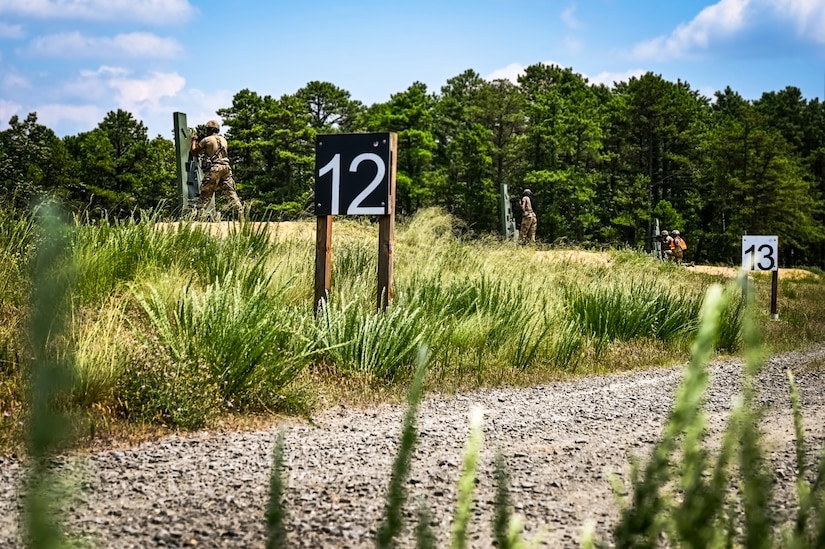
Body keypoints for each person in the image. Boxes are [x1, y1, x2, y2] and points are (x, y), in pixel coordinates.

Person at [190, 119, 244, 220]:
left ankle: (198, 218)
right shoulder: (224, 140)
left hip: (215, 168)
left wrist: (193, 140)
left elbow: (194, 152)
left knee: (206, 193)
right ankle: (240, 214)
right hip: (226, 168)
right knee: (230, 192)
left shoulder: (206, 140)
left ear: (209, 130)